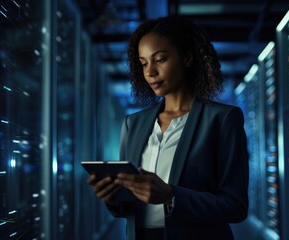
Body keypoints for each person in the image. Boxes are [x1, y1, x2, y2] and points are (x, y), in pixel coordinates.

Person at [87, 15, 249, 240]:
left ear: (187, 58)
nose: (149, 72)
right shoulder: (133, 124)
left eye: (160, 59)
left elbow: (235, 206)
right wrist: (113, 197)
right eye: (143, 63)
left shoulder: (223, 119)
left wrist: (171, 196)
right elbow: (130, 207)